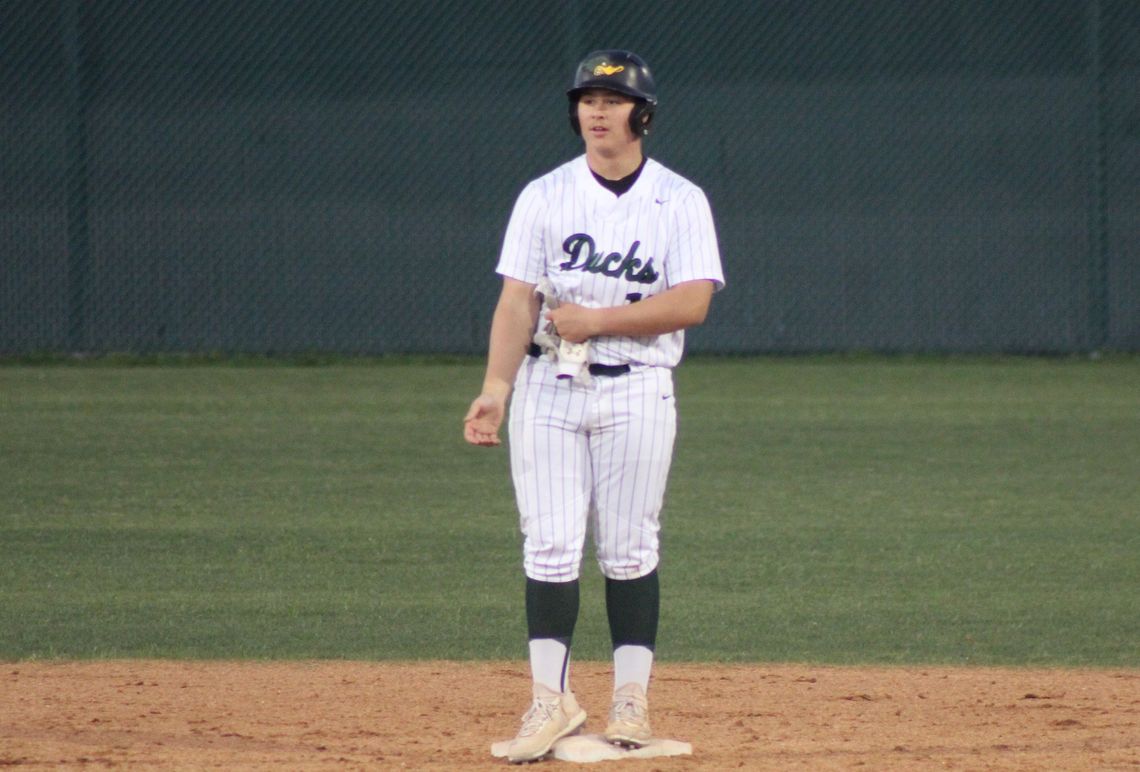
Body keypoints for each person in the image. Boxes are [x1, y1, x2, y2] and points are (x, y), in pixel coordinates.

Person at [463, 49, 725, 764]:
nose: (597, 111)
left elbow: (694, 300)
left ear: (642, 114)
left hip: (639, 386)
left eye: (612, 101)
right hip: (548, 386)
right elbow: (517, 299)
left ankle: (630, 701)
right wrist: (495, 387)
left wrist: (600, 321)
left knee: (629, 546)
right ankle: (550, 701)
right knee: (548, 544)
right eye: (586, 100)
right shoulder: (544, 195)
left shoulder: (680, 200)